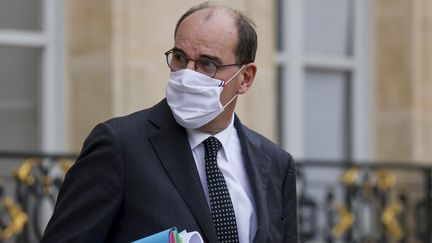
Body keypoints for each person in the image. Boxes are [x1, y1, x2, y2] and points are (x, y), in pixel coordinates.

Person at [40, 2, 298, 243]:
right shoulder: (119, 145)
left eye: (207, 64)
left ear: (246, 78)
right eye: (179, 57)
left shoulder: (275, 163)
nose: (187, 74)